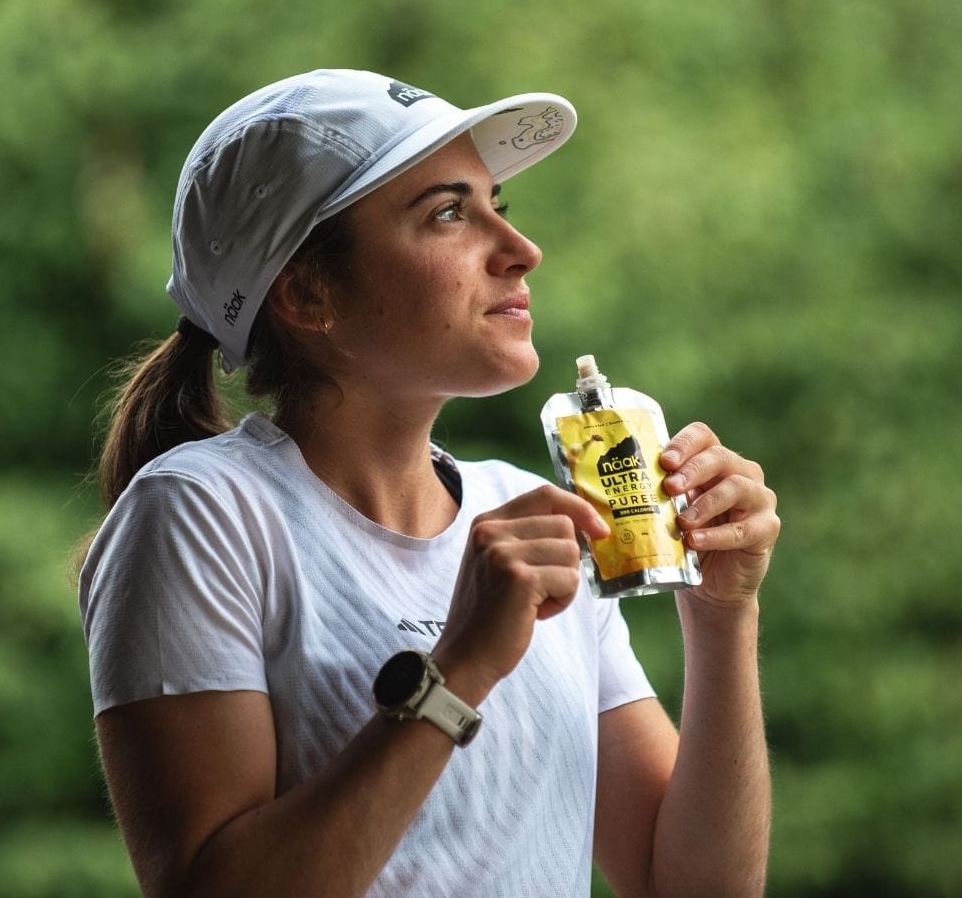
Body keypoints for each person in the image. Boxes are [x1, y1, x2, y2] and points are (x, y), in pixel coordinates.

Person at [79, 68, 779, 898]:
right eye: (448, 213)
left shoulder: (530, 515)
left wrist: (723, 615)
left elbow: (692, 886)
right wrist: (458, 667)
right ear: (307, 292)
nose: (521, 249)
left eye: (497, 205)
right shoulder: (199, 513)